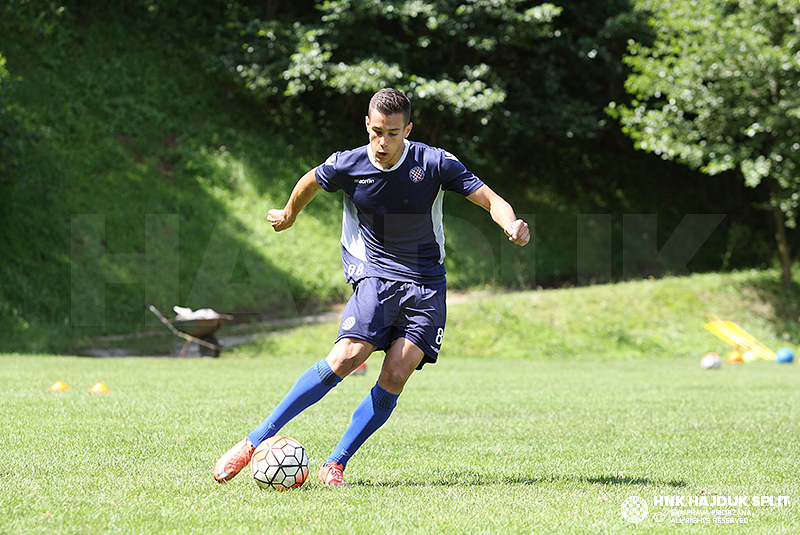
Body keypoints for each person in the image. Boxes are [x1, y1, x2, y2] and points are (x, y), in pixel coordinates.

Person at [213, 88, 529, 486]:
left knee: (396, 374)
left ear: (408, 129)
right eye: (376, 131)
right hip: (376, 275)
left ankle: (336, 462)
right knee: (347, 355)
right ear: (367, 124)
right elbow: (311, 180)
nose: (383, 143)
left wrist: (510, 223)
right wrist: (290, 214)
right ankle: (254, 441)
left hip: (427, 283)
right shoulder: (349, 164)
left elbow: (489, 198)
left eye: (393, 133)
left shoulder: (433, 162)